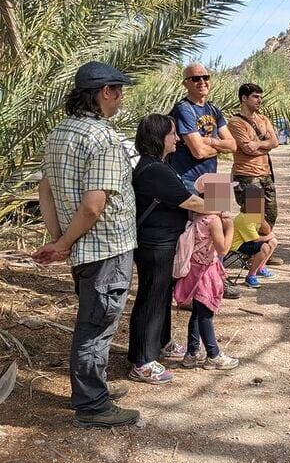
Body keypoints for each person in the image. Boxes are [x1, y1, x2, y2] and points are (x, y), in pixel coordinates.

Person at [33, 61, 140, 428]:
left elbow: (45, 189)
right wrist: (63, 241)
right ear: (105, 92)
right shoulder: (104, 138)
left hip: (82, 251)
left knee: (93, 320)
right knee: (96, 327)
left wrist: (59, 240)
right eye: (119, 91)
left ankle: (94, 389)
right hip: (106, 249)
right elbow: (94, 206)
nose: (121, 98)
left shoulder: (59, 132)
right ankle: (92, 405)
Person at [128, 114, 206, 385]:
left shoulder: (159, 166)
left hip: (162, 242)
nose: (177, 138)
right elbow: (189, 201)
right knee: (151, 298)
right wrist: (221, 206)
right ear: (158, 137)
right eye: (172, 134)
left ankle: (162, 342)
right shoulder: (155, 170)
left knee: (161, 296)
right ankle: (142, 361)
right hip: (154, 245)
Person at [169, 62, 241, 299]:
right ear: (185, 83)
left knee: (222, 221)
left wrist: (209, 142)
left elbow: (233, 145)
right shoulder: (183, 110)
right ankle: (189, 285)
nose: (202, 82)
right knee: (196, 234)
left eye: (205, 77)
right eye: (195, 78)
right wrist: (215, 145)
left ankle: (218, 278)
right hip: (189, 178)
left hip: (214, 177)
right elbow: (197, 151)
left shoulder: (214, 109)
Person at [174, 174, 240, 371]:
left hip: (193, 271)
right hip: (206, 273)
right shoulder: (214, 221)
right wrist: (230, 228)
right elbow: (223, 250)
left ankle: (191, 353)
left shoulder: (197, 216)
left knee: (197, 312)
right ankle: (213, 355)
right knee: (206, 315)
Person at [228, 83, 283, 266]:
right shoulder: (235, 122)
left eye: (261, 97)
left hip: (265, 173)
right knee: (253, 216)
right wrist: (265, 146)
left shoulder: (263, 119)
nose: (260, 100)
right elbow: (246, 149)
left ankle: (264, 250)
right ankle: (251, 253)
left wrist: (258, 145)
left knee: (270, 213)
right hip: (246, 175)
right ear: (244, 98)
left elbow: (275, 142)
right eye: (255, 97)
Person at [230, 184, 279, 288]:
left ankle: (260, 268)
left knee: (273, 242)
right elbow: (256, 240)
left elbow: (267, 231)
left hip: (247, 241)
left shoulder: (254, 214)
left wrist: (261, 219)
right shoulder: (244, 218)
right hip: (237, 244)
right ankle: (251, 276)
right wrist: (269, 236)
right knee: (264, 247)